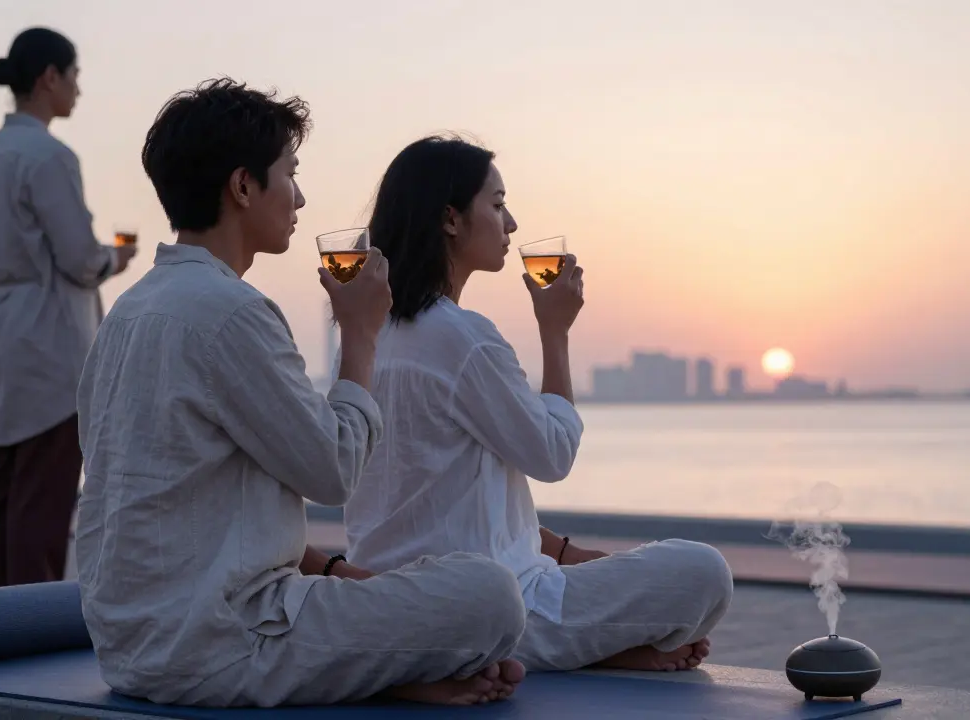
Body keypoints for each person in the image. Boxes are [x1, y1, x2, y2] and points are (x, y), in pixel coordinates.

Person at [74, 79, 526, 709]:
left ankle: (394, 671)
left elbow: (177, 498)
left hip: (128, 645)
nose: (300, 196)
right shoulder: (233, 314)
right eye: (289, 173)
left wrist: (341, 573)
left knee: (446, 593)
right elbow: (334, 472)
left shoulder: (127, 312)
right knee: (492, 596)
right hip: (222, 645)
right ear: (242, 187)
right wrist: (361, 336)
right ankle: (388, 670)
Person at [341, 135, 734, 674]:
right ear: (451, 220)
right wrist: (556, 333)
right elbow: (553, 455)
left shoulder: (370, 331)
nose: (512, 224)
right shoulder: (462, 337)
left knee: (643, 573)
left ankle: (603, 646)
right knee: (703, 571)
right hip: (503, 604)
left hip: (389, 595)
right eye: (498, 205)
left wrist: (564, 552)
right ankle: (594, 649)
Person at [0, 27, 136, 589]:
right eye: (75, 75)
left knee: (2, 483)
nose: (79, 89)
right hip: (50, 331)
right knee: (44, 487)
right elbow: (80, 258)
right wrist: (115, 259)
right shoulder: (49, 156)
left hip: (0, 327)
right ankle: (25, 628)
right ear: (49, 78)